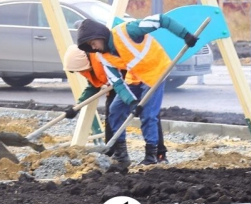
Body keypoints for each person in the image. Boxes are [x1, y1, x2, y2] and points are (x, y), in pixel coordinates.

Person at [76, 15, 198, 168]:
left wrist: (185, 35)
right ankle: (121, 156)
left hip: (156, 72)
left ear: (100, 36)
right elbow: (118, 83)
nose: (93, 48)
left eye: (93, 43)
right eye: (90, 46)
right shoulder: (103, 56)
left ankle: (151, 156)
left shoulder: (128, 31)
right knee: (115, 110)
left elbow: (161, 20)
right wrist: (132, 101)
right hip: (135, 75)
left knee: (148, 115)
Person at [63, 45, 168, 163]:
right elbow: (93, 86)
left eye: (80, 71)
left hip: (127, 82)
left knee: (149, 113)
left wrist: (131, 101)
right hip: (116, 85)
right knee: (113, 114)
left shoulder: (102, 57)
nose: (81, 73)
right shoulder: (90, 65)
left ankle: (158, 153)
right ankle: (117, 153)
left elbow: (123, 73)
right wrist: (77, 107)